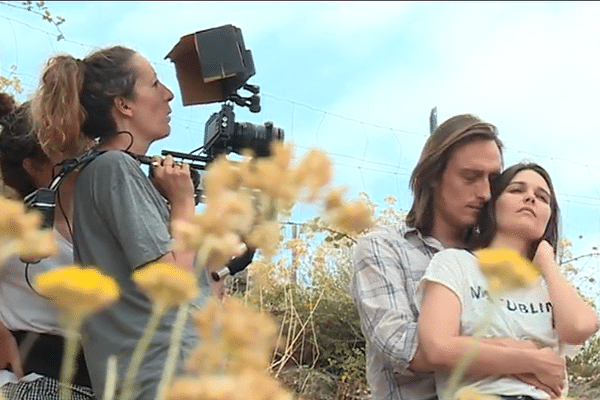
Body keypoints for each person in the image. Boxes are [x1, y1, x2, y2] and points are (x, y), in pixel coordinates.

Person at [29, 46, 211, 399]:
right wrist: (184, 202)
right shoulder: (114, 168)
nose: (169, 94)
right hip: (164, 377)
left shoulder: (109, 173)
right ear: (124, 105)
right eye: (155, 84)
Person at [351, 114, 567, 400]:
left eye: (493, 179)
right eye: (470, 177)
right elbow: (405, 348)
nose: (486, 193)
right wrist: (524, 356)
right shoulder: (382, 249)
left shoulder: (496, 261)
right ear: (432, 178)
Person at [417, 162, 599, 399]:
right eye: (516, 190)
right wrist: (529, 360)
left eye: (542, 197)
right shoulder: (455, 263)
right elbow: (437, 348)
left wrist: (547, 262)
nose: (530, 199)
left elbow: (579, 328)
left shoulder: (550, 287)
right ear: (493, 206)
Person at [0, 92, 95, 399]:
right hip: (32, 380)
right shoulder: (13, 223)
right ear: (33, 165)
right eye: (65, 146)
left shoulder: (98, 223)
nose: (85, 150)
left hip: (98, 381)